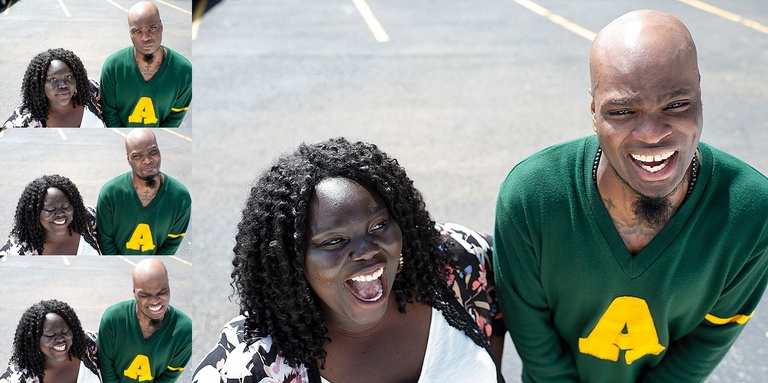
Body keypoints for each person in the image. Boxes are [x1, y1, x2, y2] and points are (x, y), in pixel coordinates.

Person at [493, 9, 768, 383]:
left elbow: (707, 343)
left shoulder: (751, 213)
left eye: (676, 104)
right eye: (622, 111)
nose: (651, 133)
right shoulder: (531, 199)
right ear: (594, 113)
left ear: (700, 93)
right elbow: (536, 345)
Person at [192, 138, 506, 383]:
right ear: (290, 263)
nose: (367, 250)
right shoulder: (250, 367)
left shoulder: (460, 267)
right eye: (334, 241)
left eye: (379, 225)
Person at [96, 128, 191, 255]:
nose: (147, 160)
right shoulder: (110, 194)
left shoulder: (180, 197)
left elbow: (171, 243)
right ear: (128, 159)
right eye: (137, 156)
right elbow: (105, 241)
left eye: (153, 151)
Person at [97, 258, 192, 383]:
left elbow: (168, 377)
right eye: (144, 295)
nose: (154, 301)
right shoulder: (113, 319)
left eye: (161, 292)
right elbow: (106, 368)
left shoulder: (185, 330)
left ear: (168, 285)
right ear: (134, 292)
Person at [99, 1, 191, 127]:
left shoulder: (184, 72)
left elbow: (174, 118)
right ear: (130, 33)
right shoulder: (112, 67)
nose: (145, 37)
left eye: (152, 28)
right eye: (137, 31)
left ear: (161, 26)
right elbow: (110, 114)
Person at [1, 299, 100, 383]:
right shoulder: (17, 377)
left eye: (65, 331)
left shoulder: (86, 345)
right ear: (34, 340)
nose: (61, 339)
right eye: (50, 335)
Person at [0, 174, 100, 256]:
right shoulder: (16, 252)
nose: (60, 214)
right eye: (50, 209)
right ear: (34, 214)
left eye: (65, 207)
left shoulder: (88, 219)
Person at [3, 48, 103, 128]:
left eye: (69, 77)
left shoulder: (91, 93)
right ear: (39, 85)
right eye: (53, 79)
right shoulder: (22, 122)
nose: (63, 85)